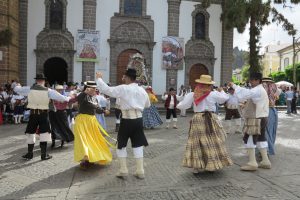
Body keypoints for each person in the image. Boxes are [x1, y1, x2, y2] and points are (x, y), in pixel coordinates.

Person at [96, 68, 150, 179]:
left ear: (127, 77)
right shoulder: (142, 90)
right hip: (139, 120)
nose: (123, 78)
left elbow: (107, 90)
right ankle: (140, 171)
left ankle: (123, 170)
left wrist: (99, 79)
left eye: (124, 76)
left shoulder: (124, 88)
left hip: (127, 120)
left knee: (121, 145)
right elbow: (147, 105)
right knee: (138, 144)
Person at [177, 75, 232, 173]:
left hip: (198, 118)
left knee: (196, 142)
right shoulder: (213, 94)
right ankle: (212, 165)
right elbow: (224, 98)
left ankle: (196, 167)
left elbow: (183, 106)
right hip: (211, 118)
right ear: (209, 85)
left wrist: (180, 103)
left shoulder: (193, 94)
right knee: (212, 141)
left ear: (199, 84)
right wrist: (221, 91)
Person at [14, 73, 72, 160]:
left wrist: (17, 85)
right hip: (43, 115)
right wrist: (69, 98)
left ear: (36, 81)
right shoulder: (48, 91)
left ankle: (30, 153)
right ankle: (43, 155)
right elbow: (62, 98)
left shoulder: (29, 89)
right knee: (44, 134)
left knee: (31, 133)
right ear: (44, 81)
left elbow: (16, 89)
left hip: (33, 114)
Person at [229, 72, 271, 171]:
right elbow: (246, 95)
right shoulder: (261, 89)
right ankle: (265, 161)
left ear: (257, 80)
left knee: (250, 138)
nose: (250, 82)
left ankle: (252, 163)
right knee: (261, 138)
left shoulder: (257, 89)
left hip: (255, 118)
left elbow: (244, 94)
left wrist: (234, 86)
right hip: (263, 117)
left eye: (252, 80)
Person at [73, 81, 113, 170]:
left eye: (95, 88)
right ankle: (85, 160)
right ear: (88, 88)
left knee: (93, 140)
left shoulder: (94, 98)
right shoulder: (82, 96)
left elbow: (97, 109)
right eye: (93, 88)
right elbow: (79, 99)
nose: (95, 90)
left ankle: (92, 158)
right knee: (84, 141)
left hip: (91, 121)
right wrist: (84, 92)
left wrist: (104, 111)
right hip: (82, 121)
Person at [262, 77, 281, 155]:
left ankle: (267, 150)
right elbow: (277, 96)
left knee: (266, 131)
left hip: (266, 110)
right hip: (272, 110)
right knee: (270, 131)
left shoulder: (263, 87)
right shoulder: (275, 87)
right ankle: (268, 150)